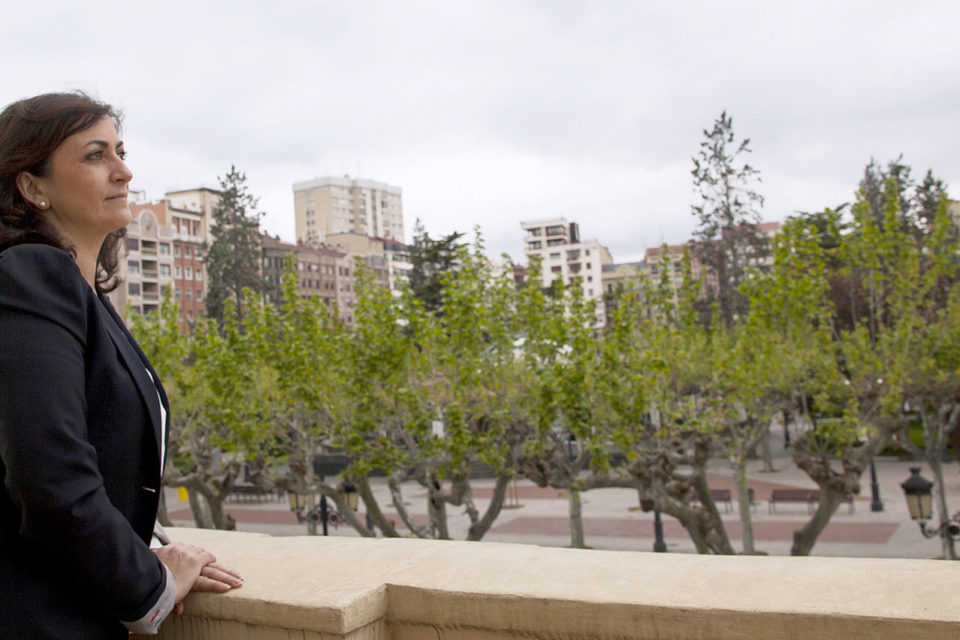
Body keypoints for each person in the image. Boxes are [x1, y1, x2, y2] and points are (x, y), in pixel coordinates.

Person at [0, 92, 243, 638]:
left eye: (121, 152)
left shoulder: (82, 294)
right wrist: (149, 587)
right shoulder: (29, 277)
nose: (124, 171)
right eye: (96, 155)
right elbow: (49, 478)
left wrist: (147, 549)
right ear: (32, 186)